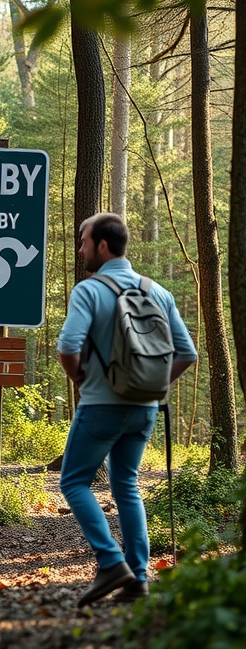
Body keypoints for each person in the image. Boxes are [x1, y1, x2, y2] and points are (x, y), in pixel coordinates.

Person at [56, 213, 197, 607]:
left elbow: (68, 345)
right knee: (126, 486)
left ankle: (111, 561)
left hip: (102, 404)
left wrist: (81, 380)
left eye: (83, 241)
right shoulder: (158, 292)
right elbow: (188, 353)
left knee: (73, 481)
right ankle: (139, 578)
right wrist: (152, 387)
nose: (81, 248)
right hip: (145, 409)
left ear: (102, 245)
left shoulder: (90, 290)